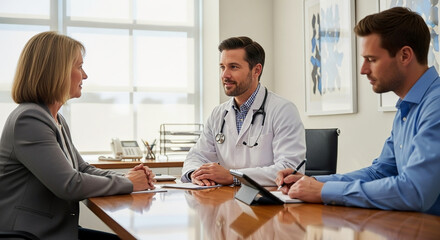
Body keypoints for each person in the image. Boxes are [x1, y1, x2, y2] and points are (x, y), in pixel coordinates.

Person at [276, 7, 440, 216]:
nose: (363, 70)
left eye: (371, 59)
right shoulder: (407, 107)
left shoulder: (436, 105)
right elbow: (380, 172)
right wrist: (312, 181)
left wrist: (325, 191)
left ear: (405, 55)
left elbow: (415, 191)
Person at [0, 31, 156, 239]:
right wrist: (129, 183)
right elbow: (69, 184)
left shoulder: (55, 118)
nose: (85, 76)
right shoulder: (29, 119)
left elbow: (82, 168)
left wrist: (127, 177)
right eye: (79, 67)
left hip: (57, 230)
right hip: (31, 235)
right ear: (57, 71)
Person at [182, 36, 306, 186]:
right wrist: (196, 174)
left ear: (256, 70)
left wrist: (233, 176)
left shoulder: (283, 110)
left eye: (233, 67)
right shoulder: (218, 114)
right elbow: (196, 156)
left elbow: (289, 169)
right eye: (222, 67)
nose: (224, 75)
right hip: (226, 200)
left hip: (267, 204)